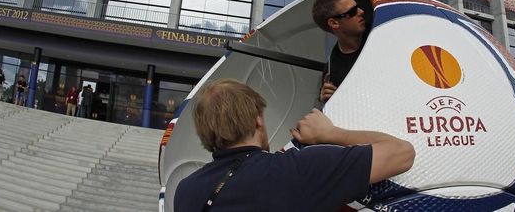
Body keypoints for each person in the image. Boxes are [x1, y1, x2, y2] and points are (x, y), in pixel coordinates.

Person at [174, 79, 415, 211]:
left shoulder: (185, 191)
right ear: (257, 119)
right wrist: (329, 133)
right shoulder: (298, 169)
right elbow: (402, 153)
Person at [312, 0, 368, 103]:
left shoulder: (379, 33)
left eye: (357, 7)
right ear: (334, 23)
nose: (361, 11)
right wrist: (328, 102)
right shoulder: (331, 71)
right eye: (352, 12)